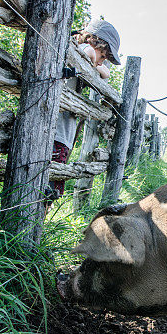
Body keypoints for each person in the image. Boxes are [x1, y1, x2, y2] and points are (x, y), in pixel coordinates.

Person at [47, 19, 121, 204]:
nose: (102, 61)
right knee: (48, 188)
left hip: (61, 133)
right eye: (103, 55)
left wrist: (98, 66)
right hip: (56, 132)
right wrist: (96, 62)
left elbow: (106, 72)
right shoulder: (84, 51)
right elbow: (90, 53)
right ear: (96, 42)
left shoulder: (78, 55)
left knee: (50, 186)